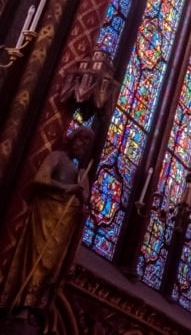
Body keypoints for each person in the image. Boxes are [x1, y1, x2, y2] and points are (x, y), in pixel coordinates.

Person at [1, 126, 94, 322]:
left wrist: (82, 201)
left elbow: (82, 203)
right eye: (81, 140)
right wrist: (69, 188)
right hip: (46, 215)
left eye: (87, 144)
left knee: (52, 265)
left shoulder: (79, 172)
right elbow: (41, 178)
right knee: (38, 257)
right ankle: (23, 301)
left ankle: (36, 304)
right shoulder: (57, 157)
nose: (83, 146)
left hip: (64, 224)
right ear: (73, 138)